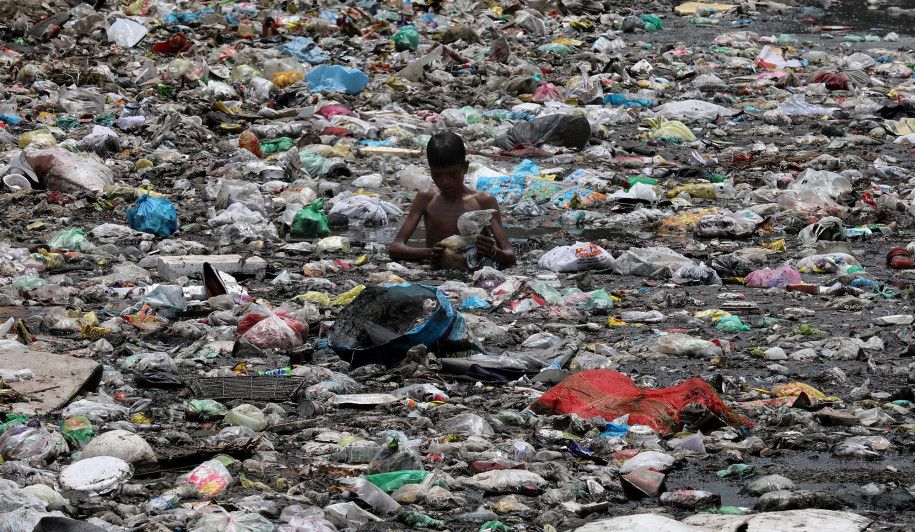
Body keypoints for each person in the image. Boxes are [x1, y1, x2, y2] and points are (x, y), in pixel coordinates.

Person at [389, 132, 517, 268]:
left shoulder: (484, 201)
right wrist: (429, 253)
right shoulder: (426, 198)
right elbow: (396, 248)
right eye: (437, 175)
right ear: (430, 170)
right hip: (437, 272)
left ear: (465, 167)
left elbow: (510, 256)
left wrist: (493, 252)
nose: (445, 181)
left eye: (452, 173)